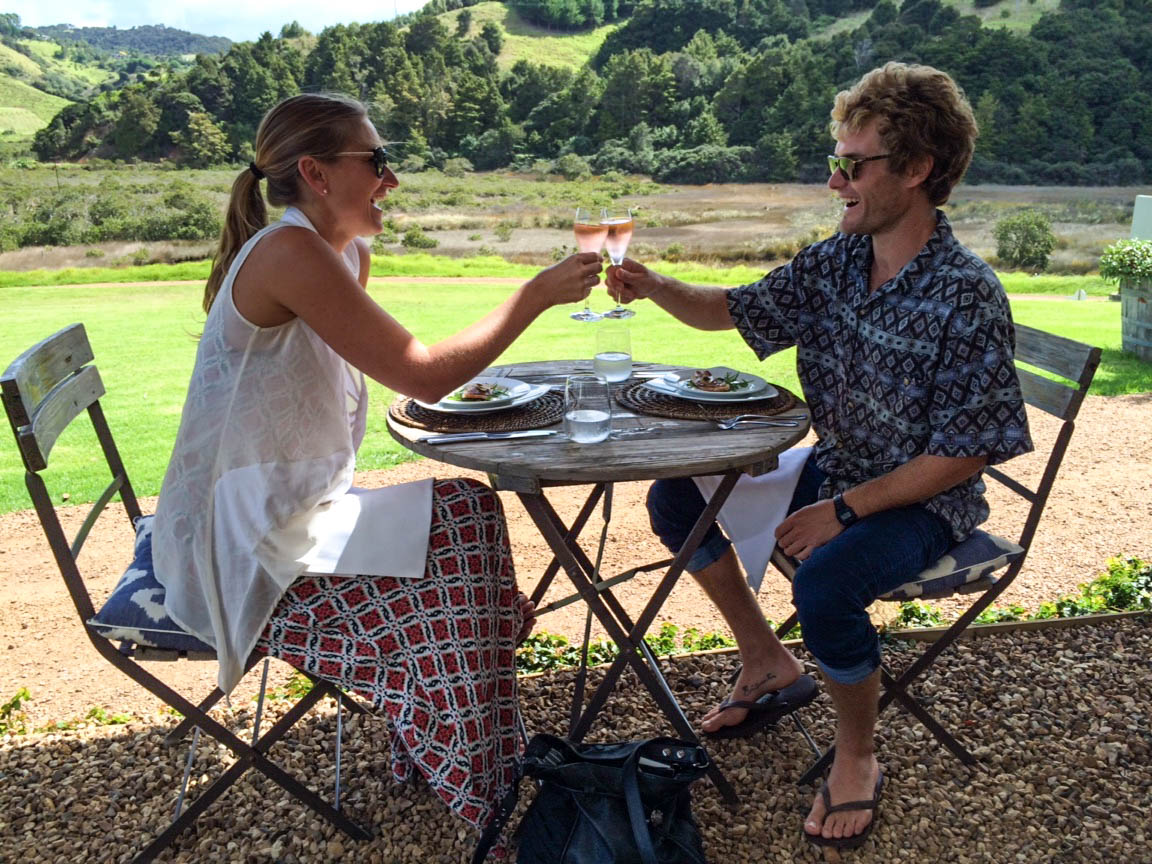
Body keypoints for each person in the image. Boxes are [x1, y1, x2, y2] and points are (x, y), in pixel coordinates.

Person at [605, 62, 1033, 850]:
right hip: (836, 471)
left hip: (922, 503)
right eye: (836, 161)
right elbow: (734, 310)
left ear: (917, 168)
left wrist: (842, 510)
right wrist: (652, 282)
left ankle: (858, 755)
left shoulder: (965, 292)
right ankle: (767, 660)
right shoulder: (839, 260)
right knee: (676, 496)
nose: (835, 181)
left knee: (828, 583)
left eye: (854, 165)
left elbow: (966, 453)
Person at [152, 93, 602, 841]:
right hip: (241, 544)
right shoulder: (288, 253)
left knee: (470, 512)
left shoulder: (341, 253)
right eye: (377, 161)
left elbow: (378, 366)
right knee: (460, 557)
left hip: (294, 510)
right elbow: (421, 374)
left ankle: (448, 742)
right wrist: (535, 296)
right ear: (316, 173)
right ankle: (481, 789)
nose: (391, 180)